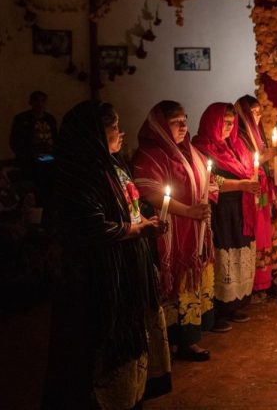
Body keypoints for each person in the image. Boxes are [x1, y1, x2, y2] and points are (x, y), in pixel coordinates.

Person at [43, 101, 171, 408]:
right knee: (105, 344)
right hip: (100, 275)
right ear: (94, 134)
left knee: (132, 335)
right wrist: (137, 229)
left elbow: (129, 209)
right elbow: (91, 226)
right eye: (114, 127)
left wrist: (144, 221)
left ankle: (130, 396)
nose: (121, 132)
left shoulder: (113, 165)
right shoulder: (81, 174)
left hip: (126, 267)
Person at [133, 101, 217, 361]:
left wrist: (205, 200)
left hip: (194, 228)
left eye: (184, 120)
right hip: (170, 232)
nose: (183, 126)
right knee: (172, 286)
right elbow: (153, 192)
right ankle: (171, 342)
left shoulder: (189, 150)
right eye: (175, 122)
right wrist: (189, 211)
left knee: (189, 284)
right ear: (159, 126)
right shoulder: (150, 154)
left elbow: (206, 181)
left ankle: (189, 339)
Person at [192, 103, 264, 332]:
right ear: (211, 122)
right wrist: (243, 184)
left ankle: (233, 304)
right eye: (223, 122)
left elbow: (250, 168)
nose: (227, 127)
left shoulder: (234, 145)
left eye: (231, 123)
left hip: (240, 210)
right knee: (223, 256)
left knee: (238, 254)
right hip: (220, 210)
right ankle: (217, 309)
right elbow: (210, 181)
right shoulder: (201, 147)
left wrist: (253, 181)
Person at [234, 95, 275, 292]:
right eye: (253, 113)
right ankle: (254, 283)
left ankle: (263, 281)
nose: (257, 117)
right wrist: (271, 154)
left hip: (262, 192)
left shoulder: (256, 134)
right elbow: (249, 162)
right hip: (251, 193)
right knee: (257, 233)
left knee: (265, 233)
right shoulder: (240, 136)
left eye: (259, 113)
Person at [9, 91, 58, 205]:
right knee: (35, 186)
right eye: (37, 100)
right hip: (30, 162)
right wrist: (28, 156)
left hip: (49, 160)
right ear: (31, 102)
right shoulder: (22, 119)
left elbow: (55, 138)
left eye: (42, 101)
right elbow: (15, 141)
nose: (39, 104)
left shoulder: (50, 119)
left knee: (49, 185)